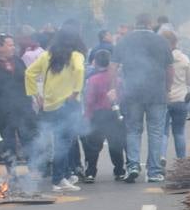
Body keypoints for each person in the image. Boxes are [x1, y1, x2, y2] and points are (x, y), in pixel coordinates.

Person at [112, 14, 173, 184]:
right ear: (150, 24)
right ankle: (153, 171)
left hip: (132, 93)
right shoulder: (161, 41)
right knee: (155, 132)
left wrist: (114, 88)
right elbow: (170, 68)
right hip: (156, 93)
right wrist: (167, 88)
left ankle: (132, 166)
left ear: (135, 24)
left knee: (133, 130)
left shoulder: (124, 41)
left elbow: (113, 65)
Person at [25, 28, 86, 193]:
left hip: (50, 105)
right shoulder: (76, 56)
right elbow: (80, 70)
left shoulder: (46, 56)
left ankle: (64, 175)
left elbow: (29, 73)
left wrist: (35, 95)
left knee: (59, 141)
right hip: (68, 104)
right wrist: (76, 91)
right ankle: (59, 179)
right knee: (64, 143)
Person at [0, 34, 37, 187]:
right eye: (9, 44)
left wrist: (32, 97)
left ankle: (33, 168)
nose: (13, 47)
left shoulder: (18, 61)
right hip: (2, 108)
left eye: (13, 44)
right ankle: (12, 172)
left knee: (27, 137)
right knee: (8, 141)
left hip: (22, 106)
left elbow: (27, 80)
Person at [81, 51, 125, 182]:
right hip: (113, 113)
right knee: (115, 143)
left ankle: (90, 172)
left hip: (98, 115)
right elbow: (122, 96)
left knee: (93, 145)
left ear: (95, 62)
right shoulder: (117, 79)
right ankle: (119, 171)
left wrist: (87, 116)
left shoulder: (92, 80)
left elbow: (89, 100)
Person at [157, 29, 190, 169]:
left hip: (164, 98)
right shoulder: (184, 59)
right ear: (176, 42)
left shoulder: (158, 58)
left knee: (163, 131)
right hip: (181, 99)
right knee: (179, 131)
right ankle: (182, 161)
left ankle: (161, 156)